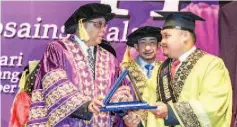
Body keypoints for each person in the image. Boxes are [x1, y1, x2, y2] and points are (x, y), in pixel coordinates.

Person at [27, 3, 131, 127]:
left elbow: (120, 88)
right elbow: (56, 85)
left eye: (105, 25)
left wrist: (122, 105)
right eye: (98, 24)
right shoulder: (58, 49)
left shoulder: (110, 58)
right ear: (81, 24)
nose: (104, 29)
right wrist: (85, 105)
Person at [150, 11, 233, 127]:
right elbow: (150, 102)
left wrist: (171, 112)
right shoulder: (161, 69)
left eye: (166, 36)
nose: (161, 42)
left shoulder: (212, 65)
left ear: (185, 36)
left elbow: (213, 106)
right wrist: (136, 118)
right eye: (161, 37)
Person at [121, 26, 162, 127]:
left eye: (152, 42)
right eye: (143, 42)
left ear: (158, 45)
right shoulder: (123, 69)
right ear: (136, 46)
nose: (147, 48)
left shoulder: (166, 69)